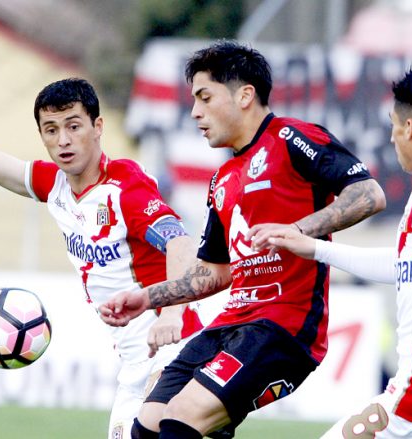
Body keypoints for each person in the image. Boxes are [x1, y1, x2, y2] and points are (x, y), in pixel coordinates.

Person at [98, 40, 386, 439]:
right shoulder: (223, 177)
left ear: (245, 95)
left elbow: (369, 194)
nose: (195, 111)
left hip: (282, 326)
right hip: (231, 323)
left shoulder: (292, 138)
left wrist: (300, 229)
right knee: (147, 425)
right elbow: (215, 273)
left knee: (181, 417)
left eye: (204, 97)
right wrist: (147, 297)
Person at [0, 38, 204, 439]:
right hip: (134, 362)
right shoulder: (54, 185)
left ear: (97, 128)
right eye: (51, 130)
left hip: (174, 349)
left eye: (73, 126)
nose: (62, 139)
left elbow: (180, 243)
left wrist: (171, 314)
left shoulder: (126, 188)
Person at [252, 62, 412, 439]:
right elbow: (407, 265)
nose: (391, 137)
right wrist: (317, 249)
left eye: (392, 124)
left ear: (410, 128)